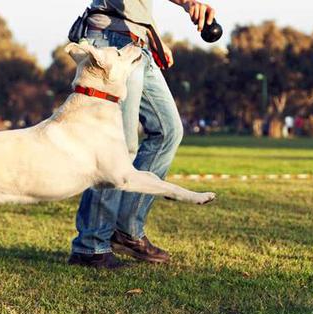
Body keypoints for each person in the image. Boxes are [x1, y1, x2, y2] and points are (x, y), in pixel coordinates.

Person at [68, 0, 216, 268]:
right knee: (118, 149)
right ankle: (91, 246)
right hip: (111, 43)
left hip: (138, 44)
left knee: (168, 131)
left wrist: (153, 35)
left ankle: (126, 231)